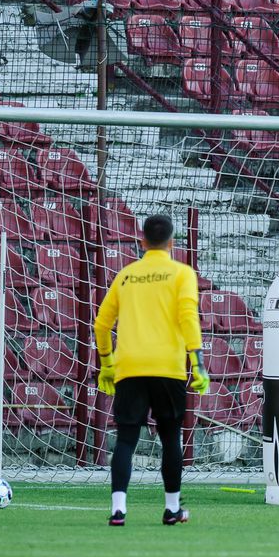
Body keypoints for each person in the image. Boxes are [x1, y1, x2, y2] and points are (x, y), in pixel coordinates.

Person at [94, 214, 209, 526]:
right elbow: (188, 317)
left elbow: (101, 325)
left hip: (129, 368)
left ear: (141, 241)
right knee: (171, 438)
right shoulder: (181, 273)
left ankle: (119, 509)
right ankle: (172, 509)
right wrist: (197, 362)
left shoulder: (126, 275)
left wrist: (107, 364)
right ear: (172, 243)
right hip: (167, 368)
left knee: (127, 439)